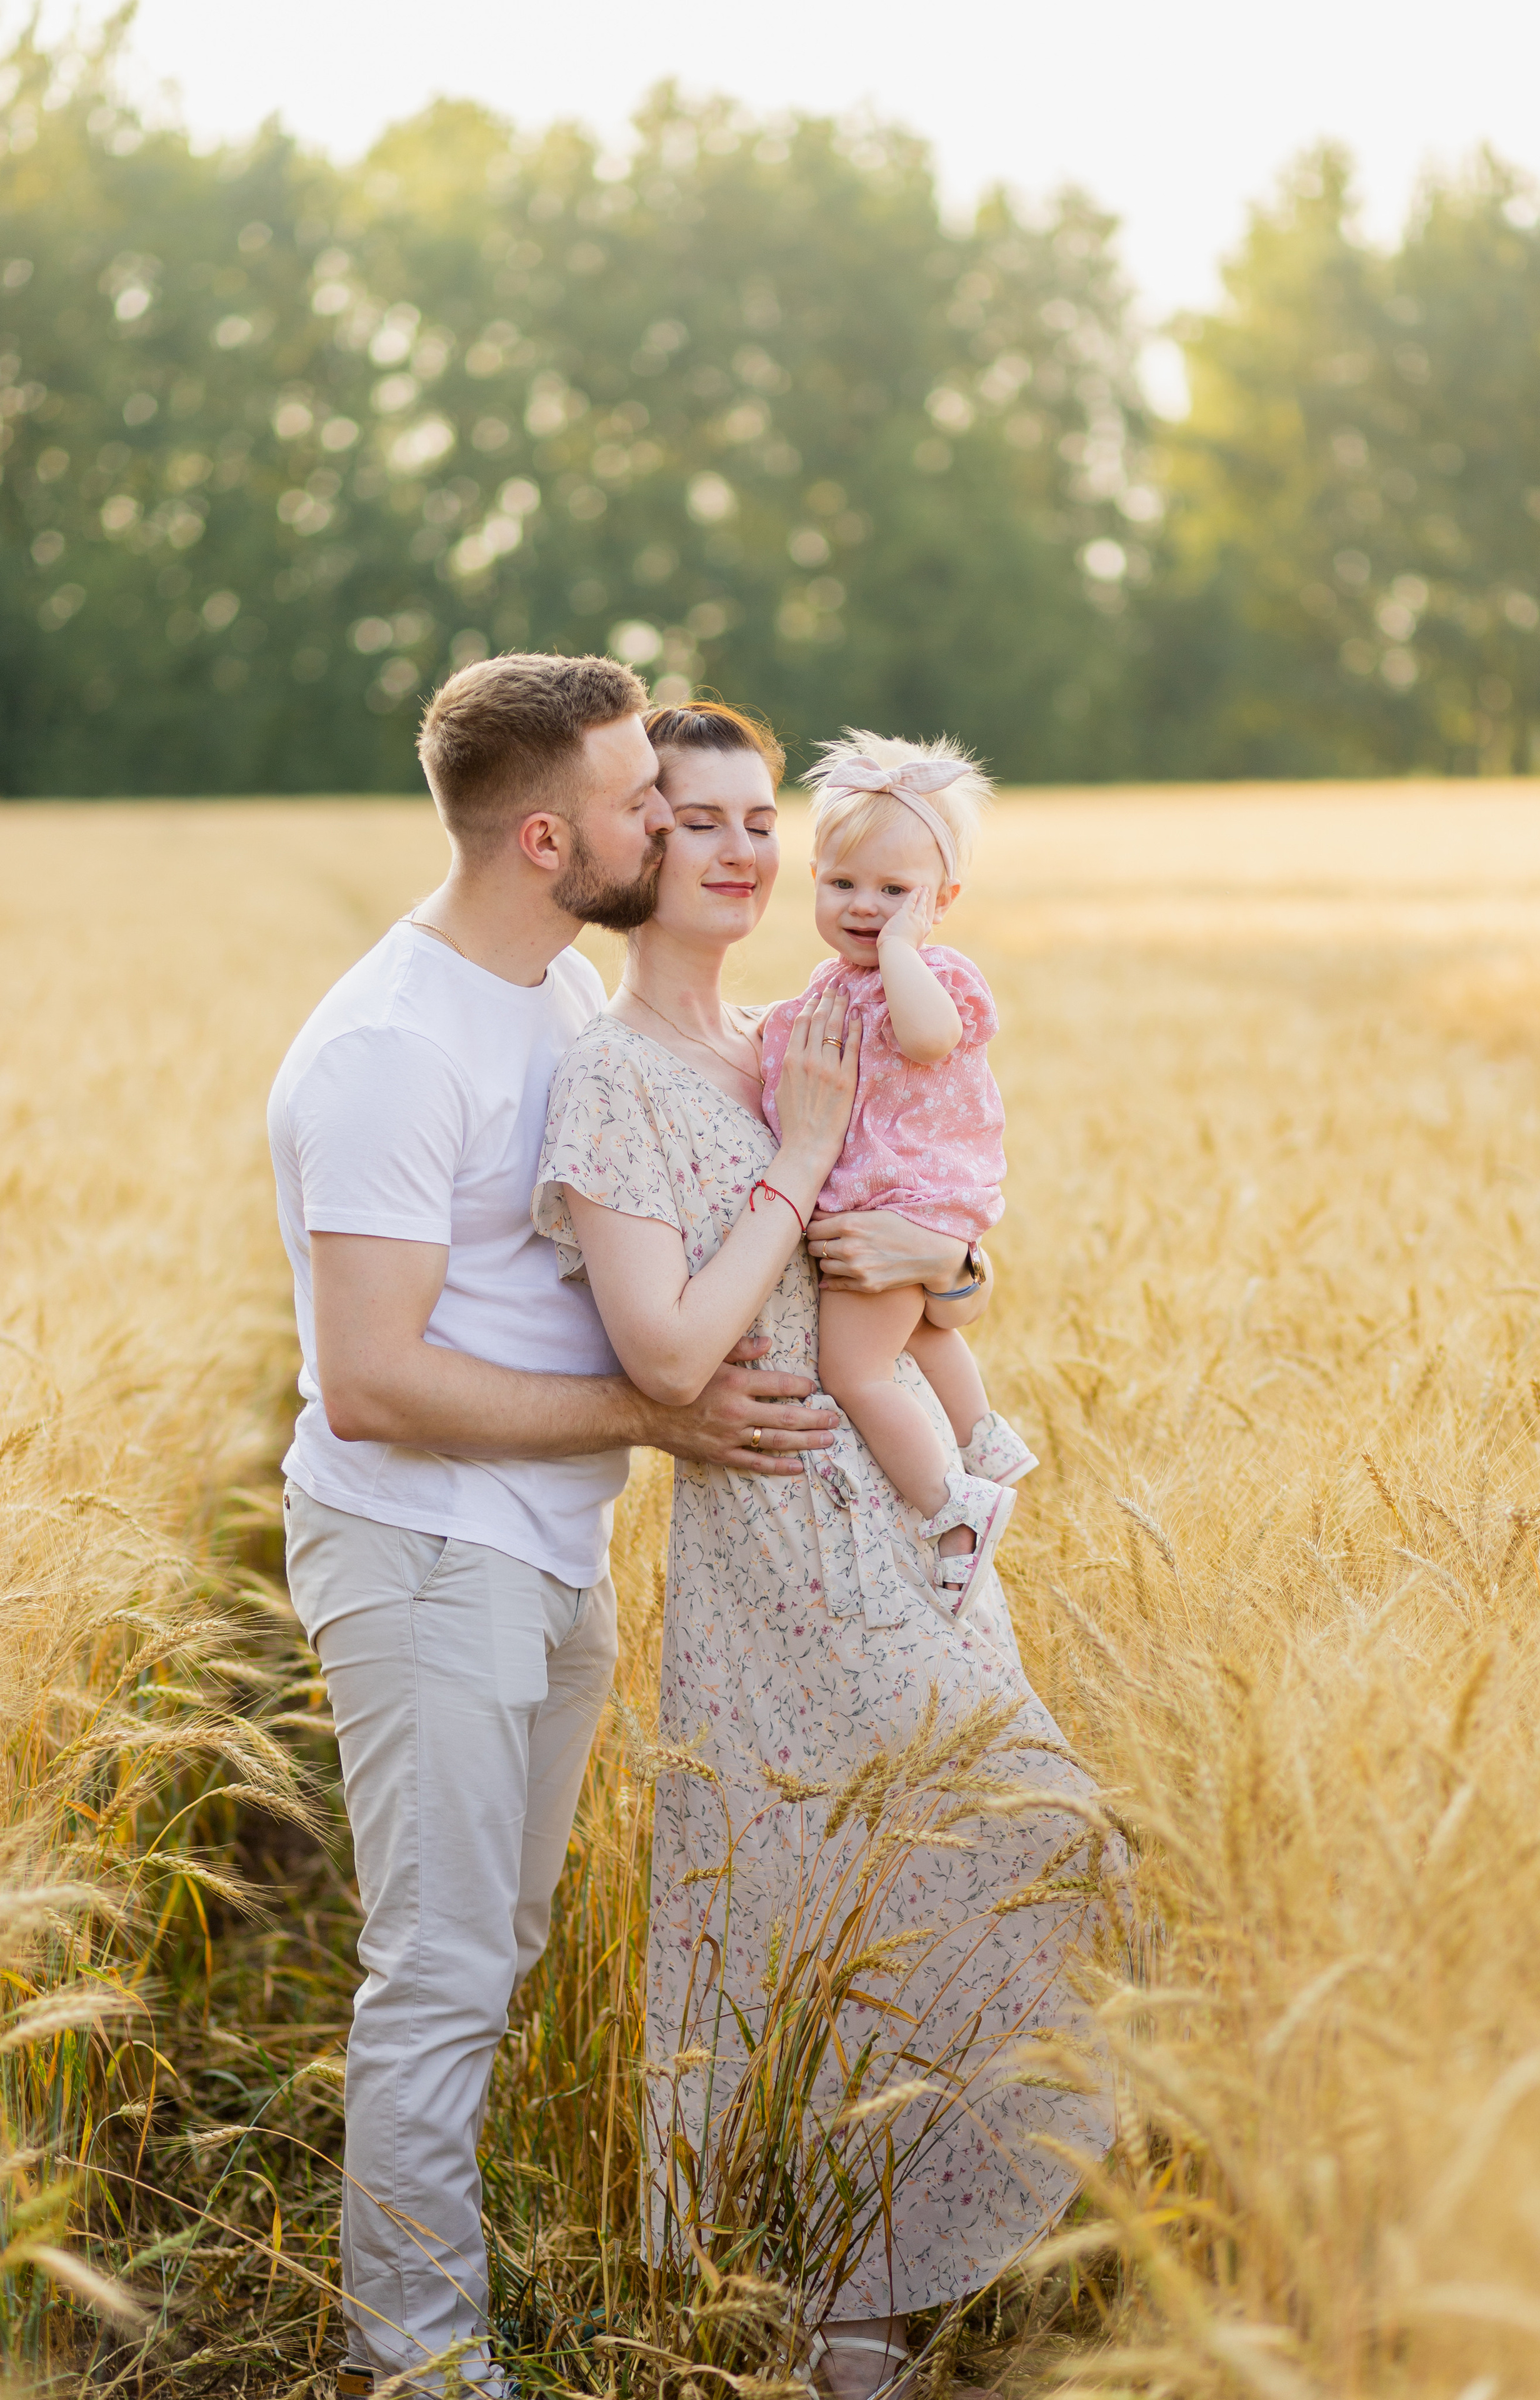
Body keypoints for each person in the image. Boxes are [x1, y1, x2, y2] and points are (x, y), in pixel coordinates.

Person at [268, 654, 902, 2396]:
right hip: (424, 1555)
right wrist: (655, 1413)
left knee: (499, 1946)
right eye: (641, 801)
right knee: (444, 1965)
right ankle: (420, 2361)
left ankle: (435, 2318)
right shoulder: (393, 1053)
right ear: (548, 836)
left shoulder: (548, 1001)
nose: (673, 822)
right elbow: (371, 1384)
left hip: (540, 1550)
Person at [532, 701, 1120, 2400]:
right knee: (812, 1897)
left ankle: (910, 2259)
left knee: (1001, 1860)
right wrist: (801, 1167)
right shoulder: (622, 1073)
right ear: (635, 850)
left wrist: (948, 1258)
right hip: (779, 1543)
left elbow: (916, 1205)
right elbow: (670, 1351)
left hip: (895, 1517)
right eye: (690, 820)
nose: (733, 847)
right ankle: (829, 2311)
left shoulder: (788, 1030)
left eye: (749, 818)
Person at [760, 734, 1038, 1613]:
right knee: (921, 1334)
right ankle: (980, 1436)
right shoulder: (826, 984)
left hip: (905, 1200)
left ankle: (955, 1509)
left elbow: (927, 1038)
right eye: (843, 884)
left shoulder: (933, 973)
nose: (866, 907)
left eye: (895, 892)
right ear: (814, 879)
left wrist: (904, 953)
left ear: (942, 901)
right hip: (887, 1203)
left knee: (855, 1373)